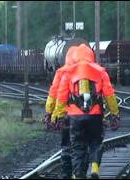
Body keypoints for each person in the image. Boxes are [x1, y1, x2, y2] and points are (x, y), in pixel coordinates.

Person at [51, 44, 120, 179]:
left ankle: (77, 175)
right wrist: (114, 113)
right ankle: (94, 168)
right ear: (91, 56)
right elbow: (110, 95)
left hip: (75, 116)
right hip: (95, 115)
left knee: (77, 147)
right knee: (95, 142)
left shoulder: (69, 72)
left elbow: (61, 96)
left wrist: (57, 116)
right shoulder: (100, 71)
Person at [44, 40, 90, 179]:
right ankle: (80, 174)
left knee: (66, 148)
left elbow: (56, 95)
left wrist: (52, 115)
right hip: (85, 117)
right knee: (82, 147)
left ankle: (67, 175)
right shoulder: (89, 72)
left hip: (67, 118)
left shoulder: (62, 73)